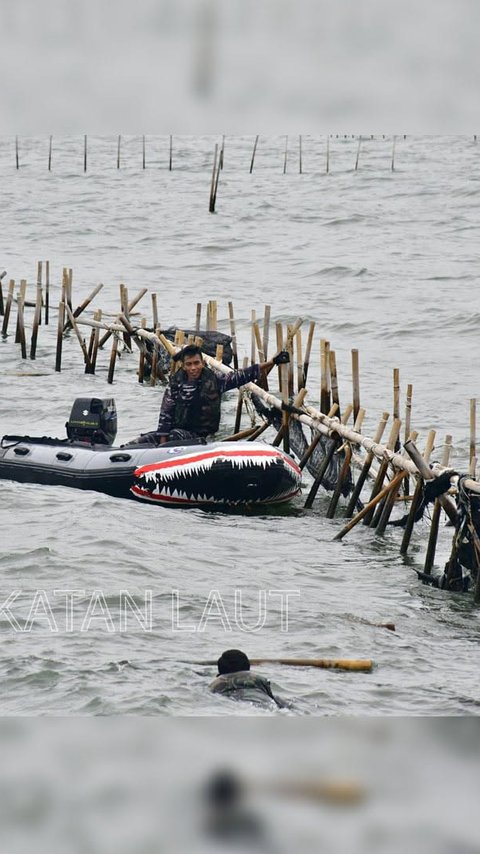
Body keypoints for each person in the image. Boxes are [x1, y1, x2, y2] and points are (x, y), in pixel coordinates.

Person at [131, 344, 289, 446]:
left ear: (202, 363)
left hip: (199, 436)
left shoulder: (215, 381)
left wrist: (273, 361)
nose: (193, 368)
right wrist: (162, 444)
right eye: (189, 364)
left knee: (173, 436)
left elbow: (243, 375)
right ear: (184, 366)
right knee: (142, 440)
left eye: (196, 363)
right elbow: (165, 414)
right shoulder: (176, 384)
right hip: (176, 432)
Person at [209, 649, 287, 709]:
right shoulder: (260, 682)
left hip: (236, 705)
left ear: (219, 674)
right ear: (248, 669)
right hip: (266, 705)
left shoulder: (216, 686)